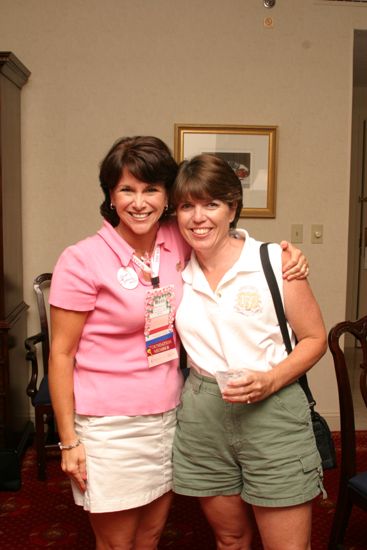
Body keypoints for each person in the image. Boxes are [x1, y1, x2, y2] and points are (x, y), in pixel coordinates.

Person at [48, 136, 309, 550]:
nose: (139, 202)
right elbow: (61, 355)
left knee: (150, 536)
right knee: (118, 544)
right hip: (110, 426)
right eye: (126, 189)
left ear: (167, 196)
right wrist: (69, 440)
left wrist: (282, 254)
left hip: (172, 416)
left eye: (151, 189)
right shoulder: (81, 260)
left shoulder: (175, 239)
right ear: (110, 196)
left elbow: (219, 228)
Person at [171, 154, 327, 550]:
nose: (198, 217)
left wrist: (270, 379)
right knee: (230, 539)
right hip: (203, 413)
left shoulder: (274, 261)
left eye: (211, 204)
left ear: (233, 208)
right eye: (187, 205)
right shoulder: (174, 270)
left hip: (272, 411)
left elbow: (315, 338)